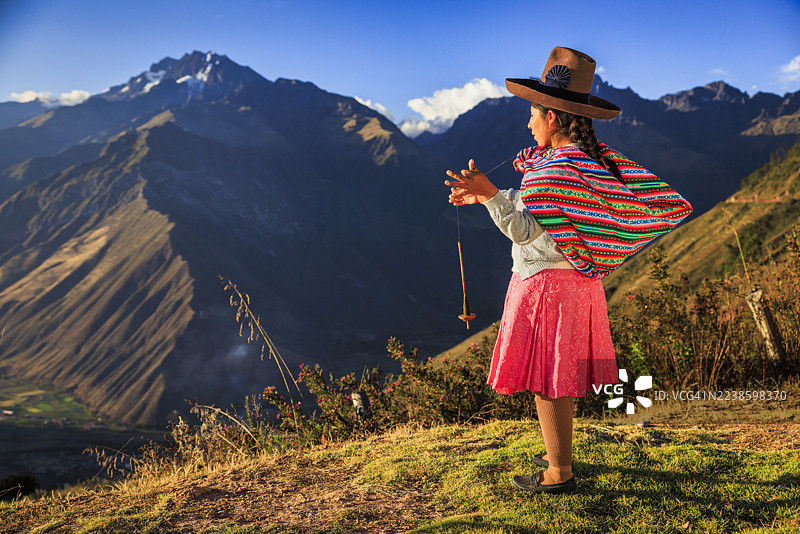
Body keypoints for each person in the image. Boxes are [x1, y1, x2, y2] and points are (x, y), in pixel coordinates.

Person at [444, 47, 692, 494]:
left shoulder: (552, 169)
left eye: (533, 114)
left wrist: (489, 195)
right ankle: (558, 457)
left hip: (546, 288)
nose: (528, 123)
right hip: (580, 285)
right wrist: (486, 195)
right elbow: (555, 215)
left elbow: (524, 230)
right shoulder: (590, 161)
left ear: (552, 119)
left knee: (548, 382)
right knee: (557, 380)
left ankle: (559, 472)